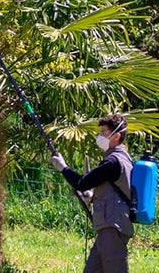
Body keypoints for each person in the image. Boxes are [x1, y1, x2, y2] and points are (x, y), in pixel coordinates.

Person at [51, 114, 134, 273]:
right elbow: (115, 190)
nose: (100, 136)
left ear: (116, 136)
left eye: (104, 132)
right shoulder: (123, 158)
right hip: (107, 229)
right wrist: (91, 196)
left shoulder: (113, 161)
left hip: (112, 228)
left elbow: (82, 183)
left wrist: (63, 167)